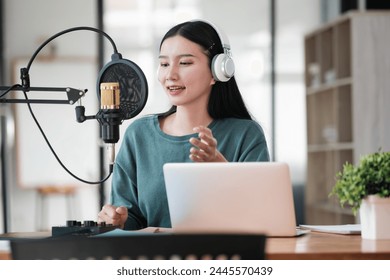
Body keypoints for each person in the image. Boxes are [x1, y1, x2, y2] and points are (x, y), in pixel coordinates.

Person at [97, 20, 270, 230]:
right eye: (164, 64)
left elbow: (261, 217)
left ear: (218, 70)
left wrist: (221, 169)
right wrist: (119, 220)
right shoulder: (138, 135)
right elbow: (133, 218)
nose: (170, 75)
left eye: (185, 63)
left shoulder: (246, 135)